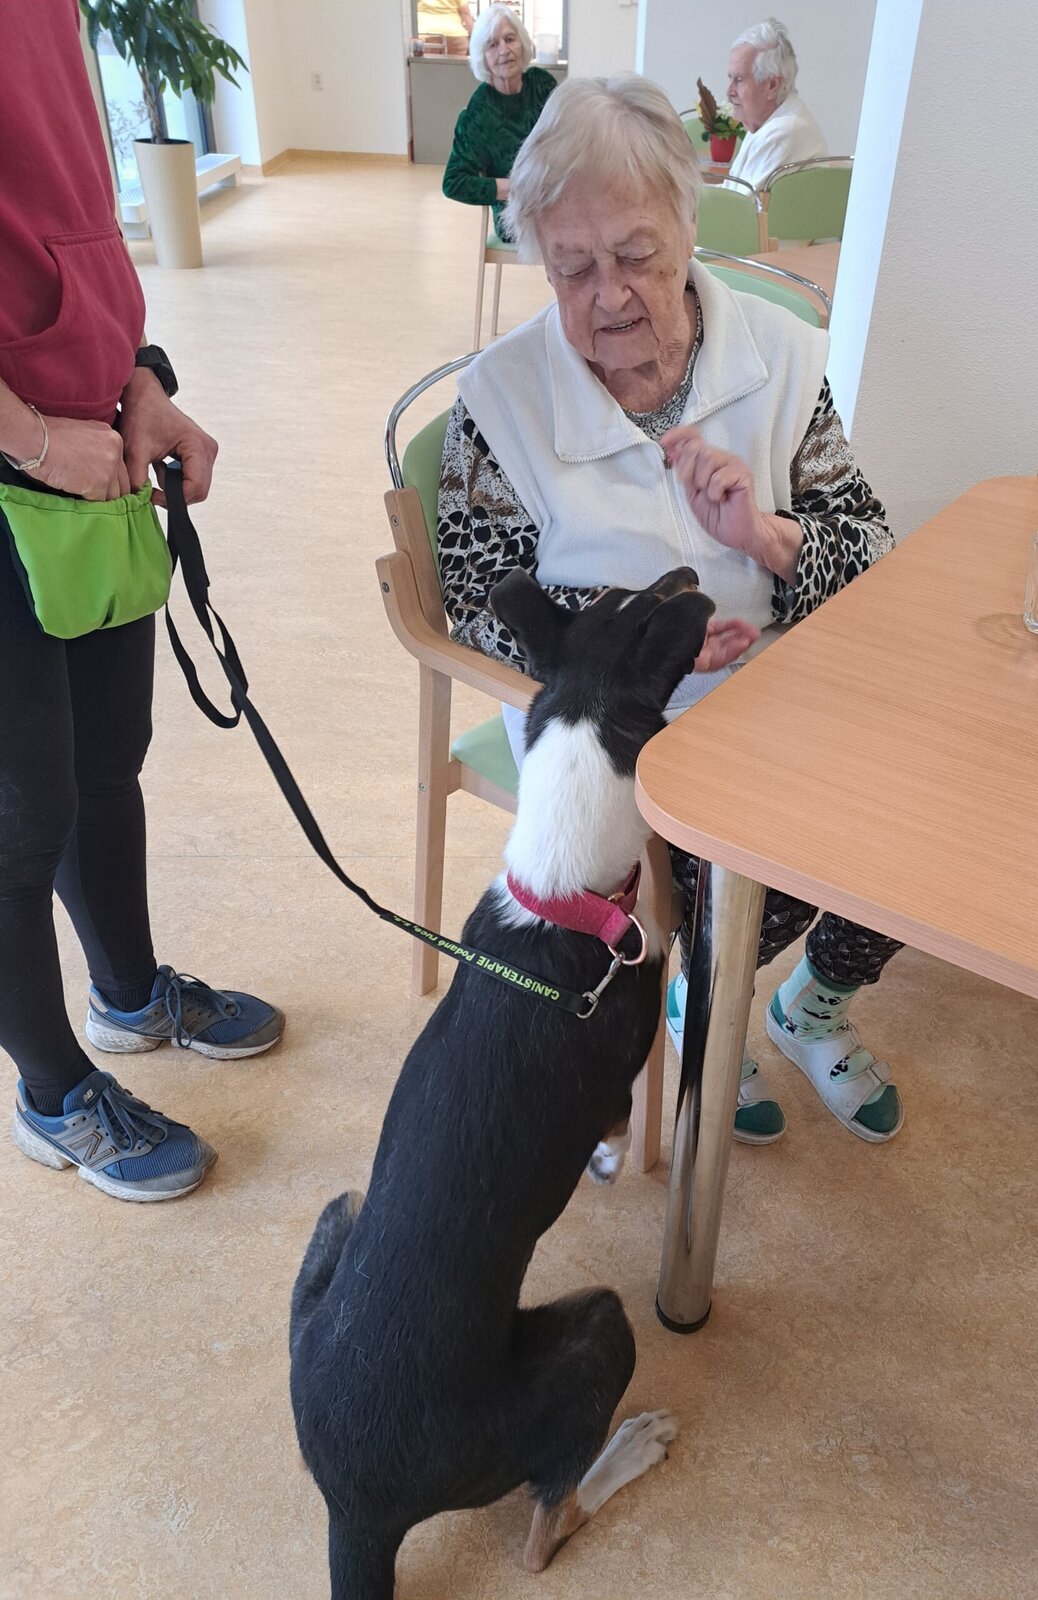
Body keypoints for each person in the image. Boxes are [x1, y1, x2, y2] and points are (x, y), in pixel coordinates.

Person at [436, 74, 905, 1147]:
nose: (608, 296)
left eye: (637, 255)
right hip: (613, 738)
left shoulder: (780, 358)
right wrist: (644, 647)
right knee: (760, 858)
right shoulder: (502, 399)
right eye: (572, 267)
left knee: (910, 822)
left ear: (690, 227)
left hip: (787, 689)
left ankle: (809, 1003)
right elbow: (477, 599)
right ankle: (708, 995)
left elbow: (872, 549)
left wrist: (768, 539)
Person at [0, 0, 283, 1203]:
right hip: (21, 452)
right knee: (20, 810)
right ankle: (52, 1091)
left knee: (106, 759)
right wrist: (25, 437)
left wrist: (139, 378)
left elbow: (65, 220)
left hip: (83, 443)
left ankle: (128, 993)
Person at [442, 4, 558, 242]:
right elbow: (453, 183)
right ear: (482, 57)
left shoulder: (542, 84)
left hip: (555, 196)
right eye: (492, 45)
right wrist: (513, 189)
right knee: (581, 231)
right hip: (516, 215)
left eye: (510, 39)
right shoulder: (479, 112)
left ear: (522, 43)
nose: (504, 50)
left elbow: (567, 135)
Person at [724, 17, 826, 191]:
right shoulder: (764, 123)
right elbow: (731, 192)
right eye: (730, 78)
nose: (729, 91)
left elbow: (741, 204)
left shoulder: (782, 132)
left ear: (772, 85)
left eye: (739, 80)